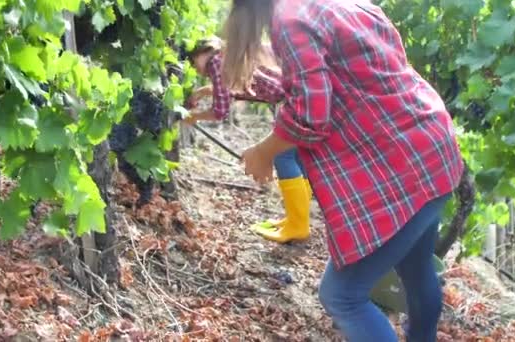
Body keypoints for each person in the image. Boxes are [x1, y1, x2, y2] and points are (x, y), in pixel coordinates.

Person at [221, 1, 464, 341]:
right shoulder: (342, 3)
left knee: (342, 296)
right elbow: (353, 78)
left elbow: (310, 115)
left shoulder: (290, 18)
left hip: (400, 166)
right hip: (431, 146)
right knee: (415, 266)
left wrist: (264, 152)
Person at [184, 37, 313, 243]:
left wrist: (193, 117)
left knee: (282, 156)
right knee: (295, 157)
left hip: (291, 102)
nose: (193, 66)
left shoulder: (215, 62)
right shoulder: (229, 56)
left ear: (205, 51)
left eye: (193, 60)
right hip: (298, 97)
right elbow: (235, 89)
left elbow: (220, 111)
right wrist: (203, 91)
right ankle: (296, 220)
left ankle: (298, 225)